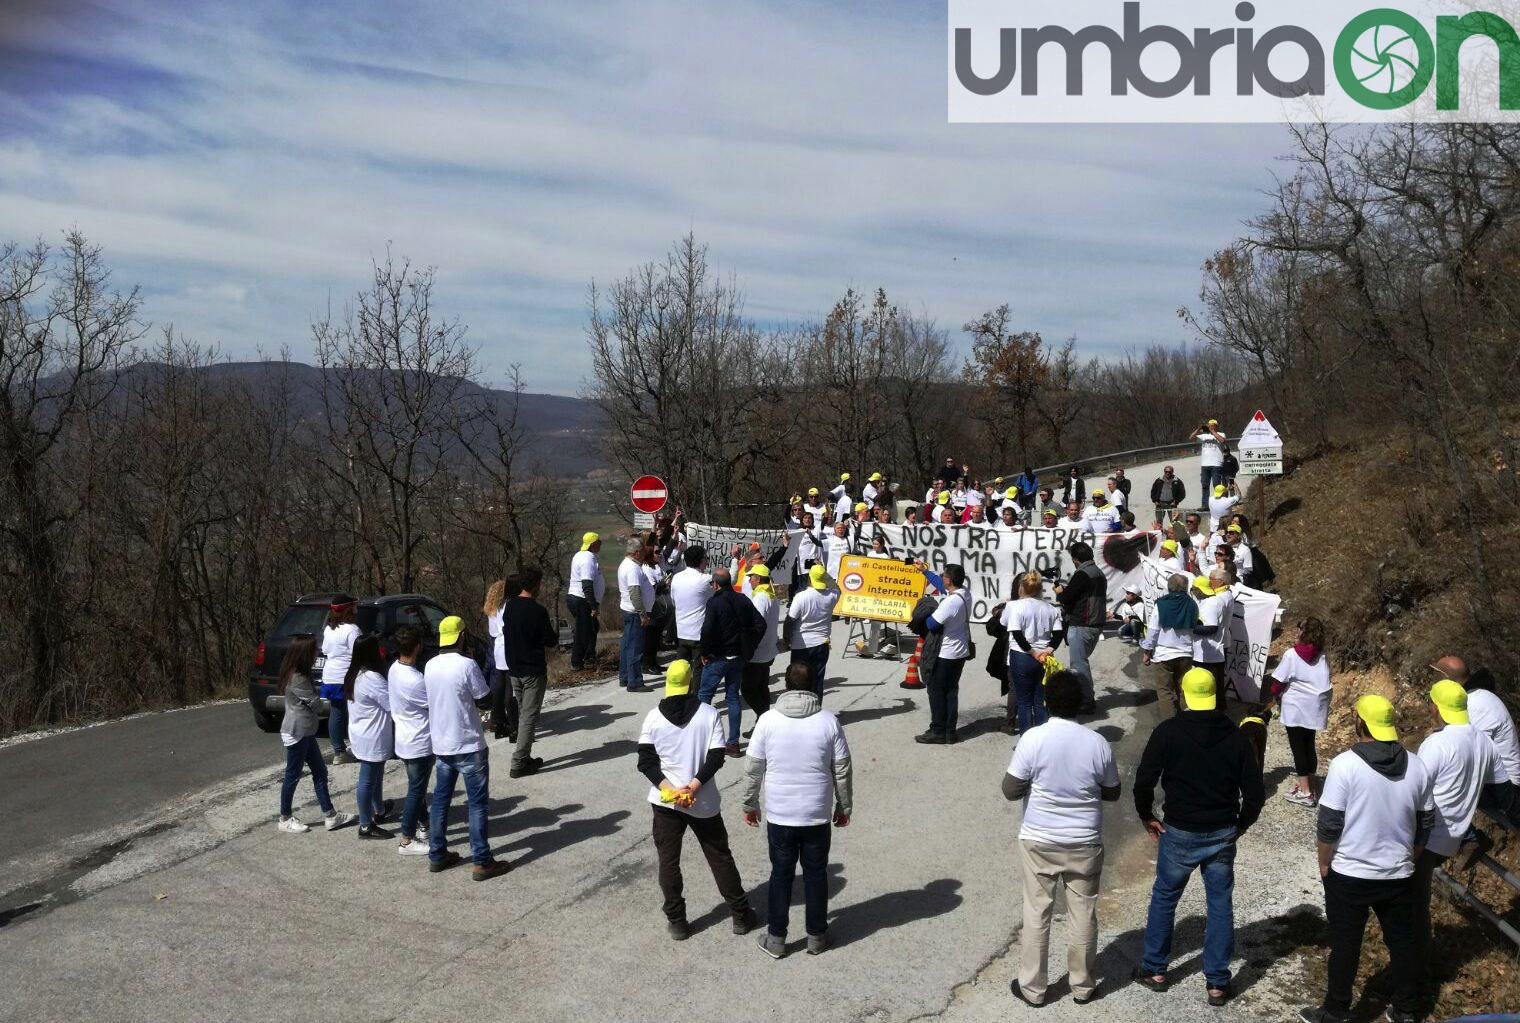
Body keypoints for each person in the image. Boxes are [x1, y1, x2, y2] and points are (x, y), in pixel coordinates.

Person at [1133, 668, 1264, 1007]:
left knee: (1165, 897)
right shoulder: (1235, 737)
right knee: (1219, 903)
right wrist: (1241, 825)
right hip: (1221, 832)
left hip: (1178, 830)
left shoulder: (1168, 732)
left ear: (1185, 694)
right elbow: (1254, 794)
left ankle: (1156, 969)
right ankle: (1218, 983)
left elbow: (1144, 780)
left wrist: (1147, 815)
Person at [1299, 696, 1434, 1023]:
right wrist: (1409, 859)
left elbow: (1329, 824)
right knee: (1402, 944)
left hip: (1350, 874)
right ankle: (1406, 1009)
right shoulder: (1418, 766)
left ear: (1360, 723)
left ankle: (1336, 1010)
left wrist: (1323, 861)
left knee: (1345, 944)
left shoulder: (1345, 765)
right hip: (1399, 874)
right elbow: (1425, 823)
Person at [1003, 670, 1121, 1008]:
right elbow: (1112, 792)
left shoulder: (1033, 739)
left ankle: (1033, 988)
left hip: (1039, 839)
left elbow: (1010, 790)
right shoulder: (1097, 743)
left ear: (1046, 702)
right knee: (1083, 912)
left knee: (1037, 911)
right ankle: (1083, 986)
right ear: (1080, 705)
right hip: (1084, 841)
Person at [637, 659, 758, 940]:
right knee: (719, 856)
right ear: (691, 683)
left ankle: (677, 922)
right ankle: (740, 915)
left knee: (668, 861)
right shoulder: (708, 713)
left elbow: (646, 762)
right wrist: (692, 786)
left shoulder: (653, 717)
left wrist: (672, 790)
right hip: (701, 800)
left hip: (666, 801)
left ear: (669, 684)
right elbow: (716, 757)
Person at [742, 661, 853, 959]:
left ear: (786, 687)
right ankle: (817, 936)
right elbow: (841, 769)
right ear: (813, 687)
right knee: (816, 874)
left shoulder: (767, 721)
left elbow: (753, 769)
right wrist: (844, 806)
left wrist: (749, 804)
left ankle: (776, 938)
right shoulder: (829, 721)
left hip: (780, 814)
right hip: (816, 813)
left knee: (781, 874)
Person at [1413, 681, 1496, 960]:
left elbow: (1416, 790)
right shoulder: (1484, 741)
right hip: (1453, 837)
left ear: (1436, 707)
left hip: (1427, 837)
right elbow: (1498, 783)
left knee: (1412, 908)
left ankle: (1416, 968)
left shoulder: (1437, 743)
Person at [425, 615, 509, 881]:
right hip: (468, 742)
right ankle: (482, 860)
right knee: (477, 804)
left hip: (441, 743)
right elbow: (485, 701)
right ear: (462, 637)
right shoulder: (467, 664)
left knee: (440, 801)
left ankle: (437, 853)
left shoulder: (429, 665)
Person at [275, 635, 355, 834]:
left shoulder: (300, 673)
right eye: (315, 650)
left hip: (306, 732)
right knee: (292, 776)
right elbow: (317, 705)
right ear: (305, 653)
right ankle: (284, 818)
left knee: (320, 772)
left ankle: (330, 815)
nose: (318, 652)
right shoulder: (298, 677)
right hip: (297, 732)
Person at [1435, 657, 1520, 825]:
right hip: (1499, 780)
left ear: (1445, 679)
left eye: (1436, 675)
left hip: (1506, 787)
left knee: (1440, 790)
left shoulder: (1474, 704)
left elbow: (1464, 750)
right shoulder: (1479, 696)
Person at [698, 567, 767, 756]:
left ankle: (703, 739)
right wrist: (750, 644)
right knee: (733, 698)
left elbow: (706, 630)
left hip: (717, 657)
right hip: (738, 657)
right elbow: (760, 624)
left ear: (716, 584)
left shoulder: (714, 603)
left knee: (704, 697)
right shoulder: (743, 598)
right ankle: (733, 743)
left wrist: (704, 652)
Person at [1265, 618, 1333, 807]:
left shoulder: (1291, 655)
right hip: (1316, 706)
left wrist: (1273, 696)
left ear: (1304, 633)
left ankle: (1306, 793)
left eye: (1299, 630)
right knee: (1309, 743)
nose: (1296, 633)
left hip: (1296, 706)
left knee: (1297, 748)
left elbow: (1278, 682)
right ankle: (1311, 782)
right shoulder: (1323, 654)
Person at [502, 567, 556, 778]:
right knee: (528, 717)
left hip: (514, 668)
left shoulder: (510, 606)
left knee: (525, 713)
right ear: (535, 585)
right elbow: (550, 640)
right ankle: (518, 762)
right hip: (532, 669)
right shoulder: (537, 611)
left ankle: (526, 757)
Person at [387, 625, 432, 855]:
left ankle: (425, 825)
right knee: (416, 790)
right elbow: (433, 705)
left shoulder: (394, 669)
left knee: (418, 788)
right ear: (418, 647)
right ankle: (407, 838)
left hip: (404, 739)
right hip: (419, 741)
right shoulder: (415, 679)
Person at [1002, 571, 1064, 735]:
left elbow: (1016, 633)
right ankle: (1042, 739)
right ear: (1040, 589)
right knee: (1039, 701)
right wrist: (1047, 650)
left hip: (1022, 656)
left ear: (1022, 587)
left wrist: (1032, 652)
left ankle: (1027, 741)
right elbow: (1058, 634)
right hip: (1044, 657)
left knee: (1023, 701)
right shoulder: (1051, 608)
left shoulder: (1017, 607)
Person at [346, 635, 395, 839]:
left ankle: (380, 810)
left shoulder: (354, 674)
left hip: (361, 732)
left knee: (376, 775)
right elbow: (391, 704)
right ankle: (365, 825)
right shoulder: (372, 678)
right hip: (372, 736)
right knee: (367, 780)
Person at [917, 564, 972, 745]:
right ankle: (950, 731)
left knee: (936, 692)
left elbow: (932, 624)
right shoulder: (964, 594)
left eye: (944, 577)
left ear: (948, 580)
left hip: (945, 654)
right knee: (951, 691)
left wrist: (927, 611)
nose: (942, 579)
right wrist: (924, 571)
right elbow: (942, 587)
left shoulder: (950, 602)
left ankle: (938, 731)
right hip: (960, 652)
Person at [1055, 541, 1106, 715]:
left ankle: (1086, 701)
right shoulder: (1098, 572)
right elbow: (1083, 594)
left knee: (1079, 665)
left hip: (1082, 624)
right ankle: (1086, 697)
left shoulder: (1082, 574)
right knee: (1081, 661)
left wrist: (1060, 591)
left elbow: (1066, 598)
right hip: (1094, 622)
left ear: (1076, 559)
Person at [1140, 574, 1195, 720]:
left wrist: (1147, 652)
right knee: (1184, 689)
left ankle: (1170, 725)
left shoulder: (1161, 605)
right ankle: (1188, 721)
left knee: (1165, 691)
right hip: (1186, 654)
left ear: (1169, 587)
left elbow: (1153, 631)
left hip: (1164, 655)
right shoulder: (1192, 603)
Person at [787, 564, 838, 697]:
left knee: (798, 681)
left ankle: (799, 710)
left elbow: (790, 620)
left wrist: (787, 639)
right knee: (817, 680)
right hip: (822, 644)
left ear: (809, 578)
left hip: (800, 645)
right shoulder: (832, 595)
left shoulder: (801, 596)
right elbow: (837, 587)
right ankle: (816, 710)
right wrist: (825, 575)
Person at [321, 595, 361, 763]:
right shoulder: (352, 630)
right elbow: (359, 653)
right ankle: (347, 750)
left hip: (330, 676)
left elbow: (324, 649)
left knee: (336, 713)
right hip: (345, 677)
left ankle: (339, 750)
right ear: (349, 610)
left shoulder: (328, 629)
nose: (357, 610)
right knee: (354, 713)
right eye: (354, 606)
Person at [1190, 572, 1233, 711]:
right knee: (1216, 683)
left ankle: (1214, 712)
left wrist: (1190, 629)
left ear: (1221, 582)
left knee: (1211, 684)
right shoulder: (1225, 595)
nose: (1210, 581)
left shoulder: (1215, 601)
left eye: (1212, 579)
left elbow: (1211, 628)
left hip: (1211, 650)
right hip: (1218, 645)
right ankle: (1218, 710)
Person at [618, 537, 656, 692]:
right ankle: (634, 682)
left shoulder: (628, 564)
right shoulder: (632, 568)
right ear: (636, 552)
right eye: (642, 551)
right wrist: (642, 614)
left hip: (629, 610)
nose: (644, 553)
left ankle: (625, 676)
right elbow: (635, 593)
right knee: (635, 648)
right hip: (635, 612)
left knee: (627, 646)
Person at [744, 564, 781, 717]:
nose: (749, 581)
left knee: (747, 690)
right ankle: (763, 721)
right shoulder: (772, 596)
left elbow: (756, 626)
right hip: (768, 650)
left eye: (751, 578)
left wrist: (748, 647)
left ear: (758, 579)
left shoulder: (760, 598)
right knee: (762, 688)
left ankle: (764, 716)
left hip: (758, 652)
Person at [482, 579, 515, 741]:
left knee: (498, 687)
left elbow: (493, 633)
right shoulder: (507, 606)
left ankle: (497, 722)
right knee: (509, 688)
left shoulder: (492, 609)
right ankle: (513, 724)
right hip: (507, 647)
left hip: (496, 647)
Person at [669, 545, 712, 666]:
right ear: (701, 560)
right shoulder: (705, 579)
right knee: (698, 668)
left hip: (682, 631)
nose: (707, 561)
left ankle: (682, 686)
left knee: (682, 669)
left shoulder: (676, 577)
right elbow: (729, 579)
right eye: (705, 558)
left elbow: (674, 601)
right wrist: (735, 559)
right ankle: (696, 686)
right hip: (698, 633)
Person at [567, 533, 604, 670]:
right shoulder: (587, 559)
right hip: (582, 599)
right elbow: (587, 584)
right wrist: (593, 606)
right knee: (583, 631)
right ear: (593, 544)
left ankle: (589, 656)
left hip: (579, 598)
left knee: (592, 627)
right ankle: (576, 662)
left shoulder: (582, 555)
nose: (601, 544)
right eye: (599, 541)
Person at [1192, 419, 1227, 507]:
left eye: (1212, 425)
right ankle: (1205, 505)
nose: (1210, 426)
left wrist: (1212, 431)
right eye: (1209, 425)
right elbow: (1191, 437)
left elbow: (1222, 441)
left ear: (1216, 426)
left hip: (1216, 464)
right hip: (1205, 464)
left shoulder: (1221, 434)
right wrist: (1198, 429)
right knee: (1205, 485)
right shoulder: (1204, 436)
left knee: (1217, 486)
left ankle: (1218, 504)